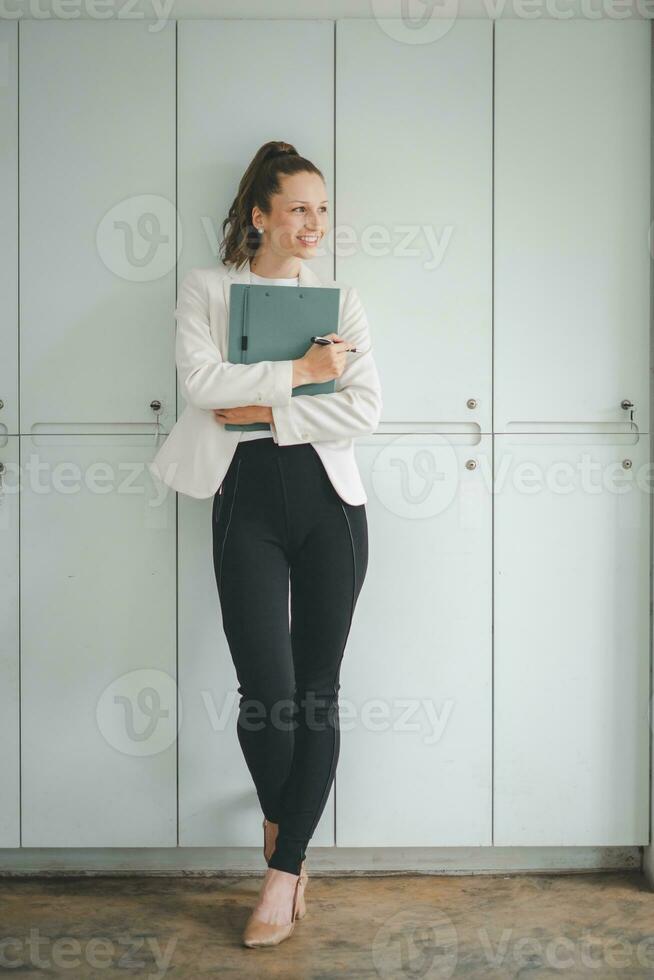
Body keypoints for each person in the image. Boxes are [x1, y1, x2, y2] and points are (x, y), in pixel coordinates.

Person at [149, 140, 383, 947]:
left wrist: (269, 412)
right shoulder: (207, 290)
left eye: (322, 209)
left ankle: (284, 873)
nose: (314, 223)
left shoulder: (340, 303)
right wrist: (300, 374)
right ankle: (287, 826)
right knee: (264, 689)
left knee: (316, 687)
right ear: (260, 215)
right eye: (298, 209)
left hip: (331, 508)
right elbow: (202, 386)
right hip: (243, 501)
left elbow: (365, 410)